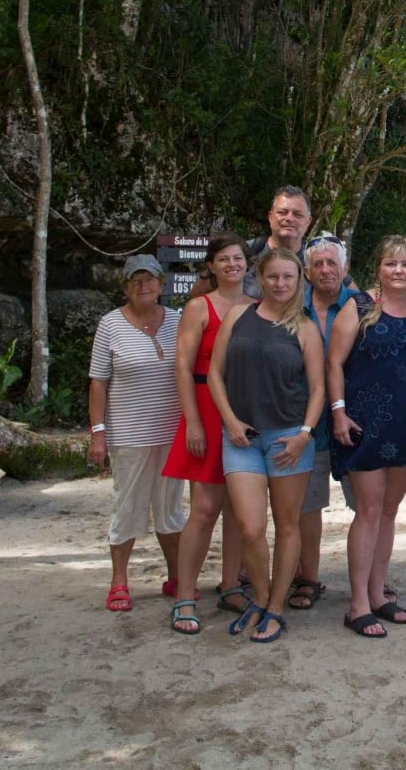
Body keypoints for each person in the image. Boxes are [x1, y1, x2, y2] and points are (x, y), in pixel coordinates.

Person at [206, 247, 325, 643]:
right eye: (273, 276)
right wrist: (229, 420)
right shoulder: (238, 317)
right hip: (241, 437)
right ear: (261, 277)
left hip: (288, 438)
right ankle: (259, 596)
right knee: (250, 526)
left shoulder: (305, 328)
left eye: (288, 277)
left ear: (299, 280)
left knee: (288, 524)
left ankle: (275, 608)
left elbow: (318, 388)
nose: (280, 284)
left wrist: (304, 433)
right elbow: (214, 375)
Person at [328, 236, 406, 638]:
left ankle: (378, 594)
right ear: (378, 267)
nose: (399, 271)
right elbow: (334, 362)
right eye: (391, 263)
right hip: (365, 423)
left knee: (390, 511)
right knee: (369, 510)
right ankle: (358, 603)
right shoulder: (358, 306)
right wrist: (338, 411)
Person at [163, 233, 255, 634]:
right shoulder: (199, 307)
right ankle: (185, 595)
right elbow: (182, 367)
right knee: (203, 509)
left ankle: (232, 584)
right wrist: (194, 421)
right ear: (212, 266)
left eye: (238, 258)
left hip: (245, 410)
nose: (232, 264)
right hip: (205, 407)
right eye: (224, 259)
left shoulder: (257, 307)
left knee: (238, 509)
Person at [87, 254, 185, 613]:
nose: (144, 286)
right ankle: (119, 583)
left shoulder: (178, 320)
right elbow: (98, 382)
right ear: (125, 287)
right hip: (129, 434)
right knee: (127, 506)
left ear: (161, 284)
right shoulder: (110, 325)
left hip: (173, 433)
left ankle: (176, 577)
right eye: (135, 281)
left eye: (150, 279)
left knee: (170, 509)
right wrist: (98, 433)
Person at [290, 233, 358, 611]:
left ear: (345, 269)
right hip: (305, 420)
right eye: (318, 264)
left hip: (353, 418)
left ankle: (369, 582)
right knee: (307, 506)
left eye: (332, 263)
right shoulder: (290, 307)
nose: (326, 269)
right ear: (306, 271)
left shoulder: (363, 306)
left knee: (365, 505)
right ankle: (308, 577)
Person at [243, 186, 312, 298]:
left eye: (297, 214)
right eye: (282, 212)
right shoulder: (245, 252)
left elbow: (348, 295)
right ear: (270, 217)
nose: (289, 218)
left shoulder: (317, 260)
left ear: (308, 222)